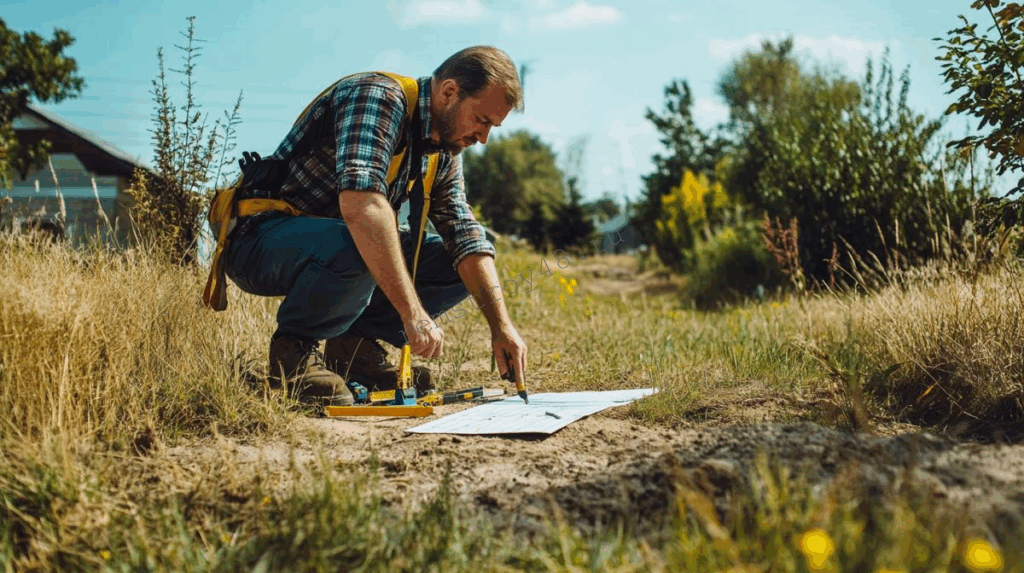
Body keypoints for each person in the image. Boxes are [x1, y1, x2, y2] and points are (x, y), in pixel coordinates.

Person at [223, 46, 528, 406]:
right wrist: (412, 315)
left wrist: (501, 327)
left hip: (335, 246)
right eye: (482, 120)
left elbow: (465, 234)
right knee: (362, 236)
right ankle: (293, 356)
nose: (484, 138)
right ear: (448, 92)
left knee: (453, 259)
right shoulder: (377, 98)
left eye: (493, 126)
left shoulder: (441, 149)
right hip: (259, 240)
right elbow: (362, 205)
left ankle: (354, 350)